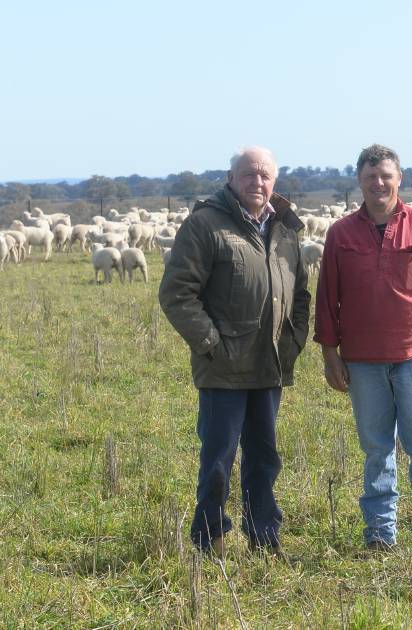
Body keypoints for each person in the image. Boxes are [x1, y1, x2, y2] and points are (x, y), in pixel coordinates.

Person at [314, 144, 412, 559]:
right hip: (362, 361)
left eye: (386, 175)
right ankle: (380, 538)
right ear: (360, 182)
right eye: (370, 177)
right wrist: (330, 355)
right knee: (376, 451)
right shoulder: (340, 234)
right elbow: (327, 299)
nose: (378, 183)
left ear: (399, 178)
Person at [159, 146, 310, 558]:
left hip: (270, 364)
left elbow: (300, 295)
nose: (256, 182)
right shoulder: (205, 226)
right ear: (231, 179)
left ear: (274, 182)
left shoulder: (286, 230)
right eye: (248, 174)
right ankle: (211, 537)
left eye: (264, 176)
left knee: (264, 457)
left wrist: (294, 340)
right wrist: (210, 344)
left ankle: (264, 535)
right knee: (218, 458)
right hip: (223, 366)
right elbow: (177, 293)